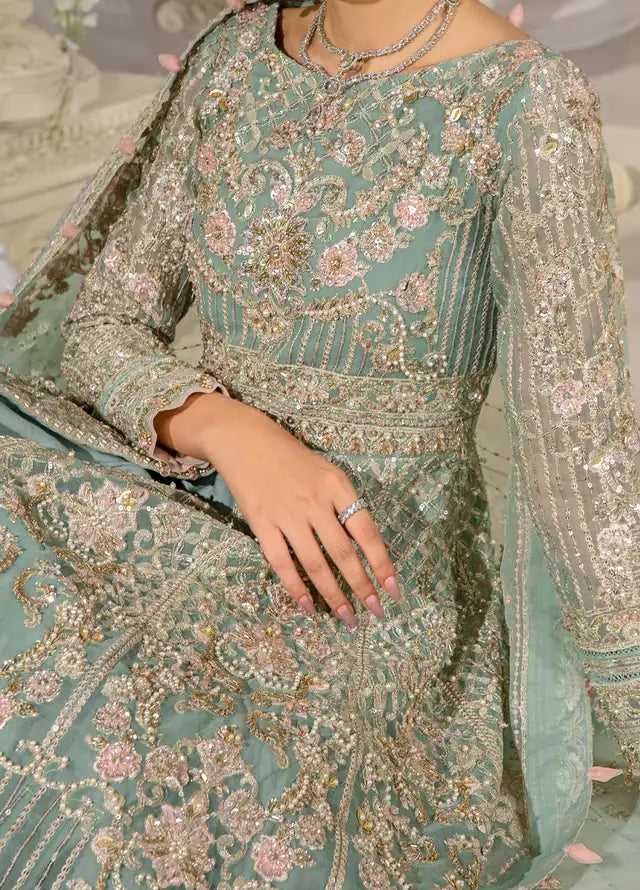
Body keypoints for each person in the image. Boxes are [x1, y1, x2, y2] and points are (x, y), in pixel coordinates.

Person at [0, 0, 637, 887]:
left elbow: (580, 452)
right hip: (180, 481)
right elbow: (105, 324)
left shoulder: (525, 102)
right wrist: (234, 433)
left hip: (356, 569)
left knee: (150, 731)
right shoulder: (236, 55)